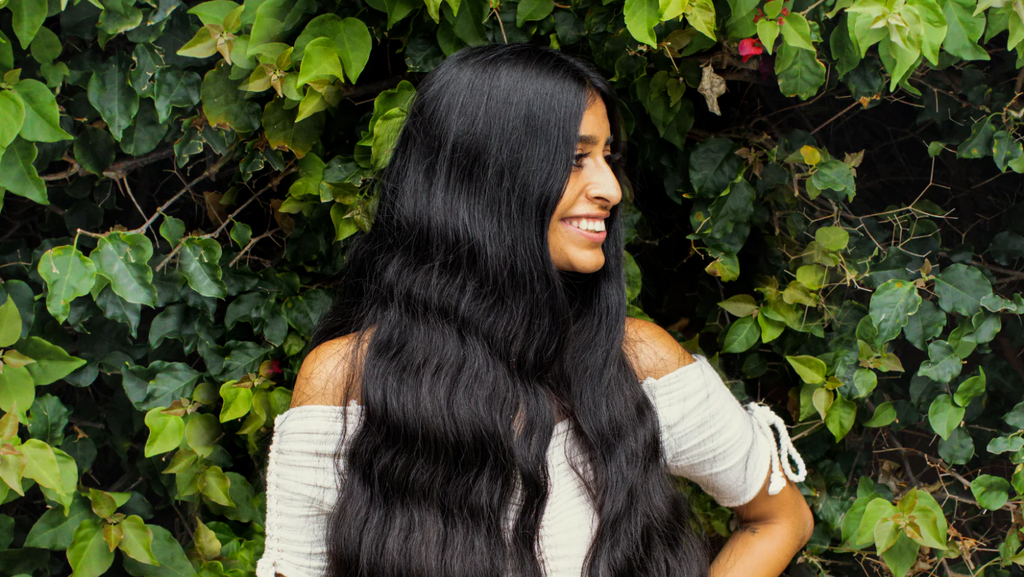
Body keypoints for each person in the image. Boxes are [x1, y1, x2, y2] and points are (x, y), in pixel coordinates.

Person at [255, 43, 813, 577]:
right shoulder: (345, 381)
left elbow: (779, 519)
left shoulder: (638, 361)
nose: (611, 189)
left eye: (607, 157)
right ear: (485, 179)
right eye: (575, 159)